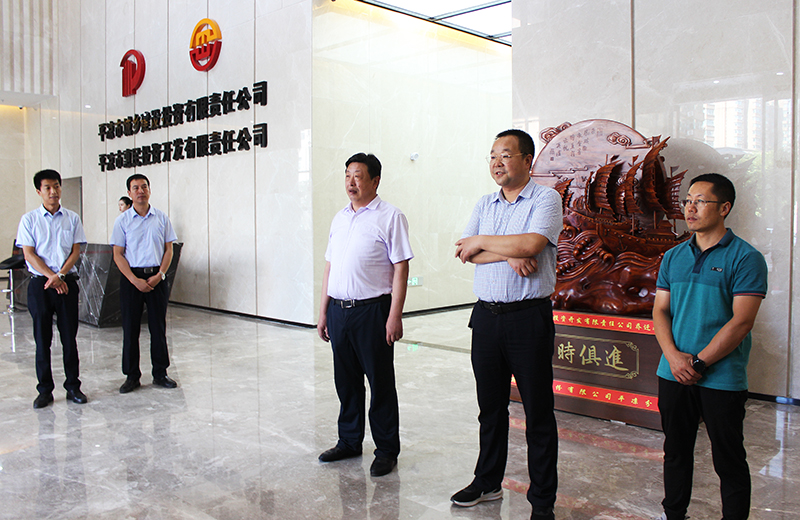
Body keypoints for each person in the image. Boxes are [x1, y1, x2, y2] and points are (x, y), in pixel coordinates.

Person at [452, 129, 562, 520]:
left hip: (527, 318)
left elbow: (531, 245)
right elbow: (465, 251)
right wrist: (507, 253)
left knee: (538, 412)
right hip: (486, 318)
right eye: (493, 156)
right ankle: (487, 482)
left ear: (527, 160)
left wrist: (487, 241)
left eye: (506, 155)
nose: (497, 162)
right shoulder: (485, 202)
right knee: (491, 409)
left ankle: (542, 501)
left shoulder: (546, 198)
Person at [652, 173, 767, 520]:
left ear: (724, 207)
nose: (690, 208)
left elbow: (742, 321)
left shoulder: (746, 258)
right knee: (675, 451)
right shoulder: (673, 256)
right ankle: (674, 513)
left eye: (700, 201)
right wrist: (673, 357)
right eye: (688, 200)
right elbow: (660, 311)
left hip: (721, 377)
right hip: (672, 372)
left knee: (728, 457)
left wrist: (699, 363)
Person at [317, 152, 413, 477]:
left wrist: (395, 315)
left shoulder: (391, 216)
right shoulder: (340, 218)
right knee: (346, 382)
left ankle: (386, 450)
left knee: (380, 382)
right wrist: (323, 313)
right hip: (339, 311)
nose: (351, 182)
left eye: (358, 176)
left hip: (373, 311)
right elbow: (329, 268)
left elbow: (401, 268)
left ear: (375, 180)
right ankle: (349, 441)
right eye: (347, 175)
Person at [16, 169, 88, 408]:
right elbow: (29, 254)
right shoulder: (29, 220)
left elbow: (76, 251)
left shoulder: (72, 218)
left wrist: (61, 275)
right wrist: (52, 277)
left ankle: (73, 387)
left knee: (69, 338)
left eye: (56, 186)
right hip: (41, 284)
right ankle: (45, 390)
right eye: (47, 187)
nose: (53, 191)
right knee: (42, 339)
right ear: (39, 191)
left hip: (67, 283)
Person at [111, 174, 178, 394]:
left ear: (149, 190)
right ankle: (131, 376)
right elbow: (118, 254)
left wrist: (160, 274)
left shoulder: (161, 218)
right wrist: (134, 280)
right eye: (136, 188)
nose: (141, 191)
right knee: (130, 329)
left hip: (156, 278)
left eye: (144, 187)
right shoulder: (122, 221)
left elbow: (169, 249)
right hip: (132, 279)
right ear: (129, 193)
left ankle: (160, 373)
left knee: (158, 328)